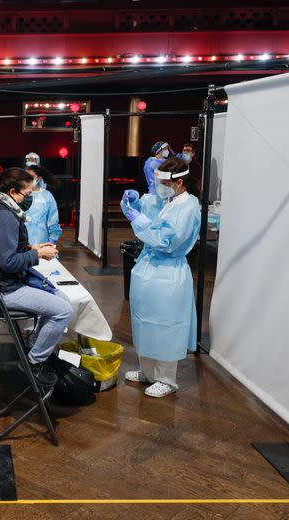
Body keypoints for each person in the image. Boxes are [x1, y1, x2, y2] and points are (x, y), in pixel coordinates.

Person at [0, 167, 73, 389]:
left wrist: (30, 247)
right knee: (64, 311)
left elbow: (0, 248)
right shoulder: (5, 215)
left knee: (61, 299)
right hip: (1, 290)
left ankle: (34, 346)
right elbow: (8, 262)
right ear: (12, 191)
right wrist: (37, 254)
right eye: (27, 194)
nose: (29, 199)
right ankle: (34, 362)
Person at [120, 156, 202, 398]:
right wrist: (133, 205)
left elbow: (167, 240)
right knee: (145, 321)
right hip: (148, 271)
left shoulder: (188, 206)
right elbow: (150, 210)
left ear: (177, 182)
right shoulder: (170, 200)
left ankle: (167, 379)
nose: (158, 187)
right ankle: (147, 371)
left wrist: (139, 220)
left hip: (168, 273)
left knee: (166, 325)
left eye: (162, 183)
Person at [24, 165, 62, 245]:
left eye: (30, 177)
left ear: (38, 178)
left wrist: (52, 241)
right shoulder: (21, 195)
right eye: (25, 177)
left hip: (42, 242)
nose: (27, 180)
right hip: (23, 243)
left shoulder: (47, 196)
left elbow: (53, 221)